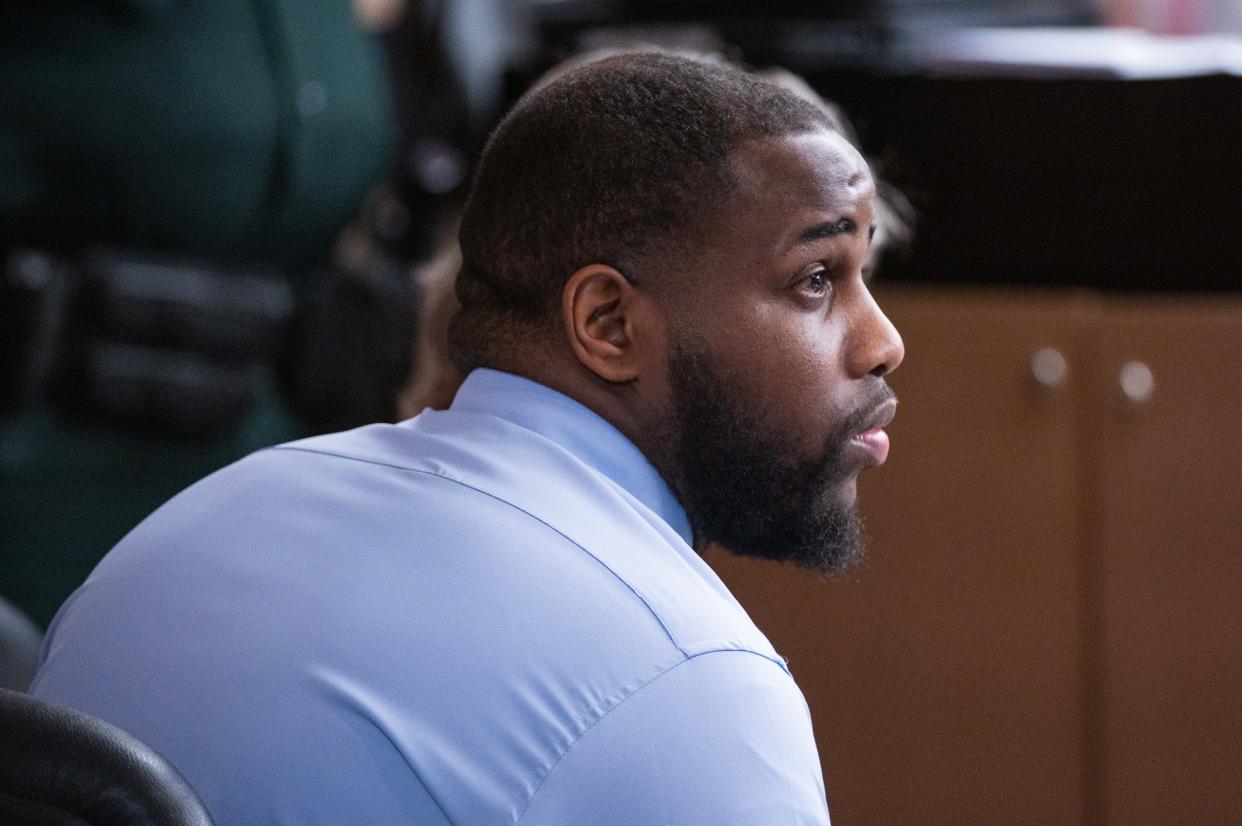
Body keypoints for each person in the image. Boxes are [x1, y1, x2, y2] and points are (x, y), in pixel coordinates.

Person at [32, 52, 904, 824]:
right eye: (817, 279)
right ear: (607, 322)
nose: (883, 343)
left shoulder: (189, 527)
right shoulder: (689, 680)